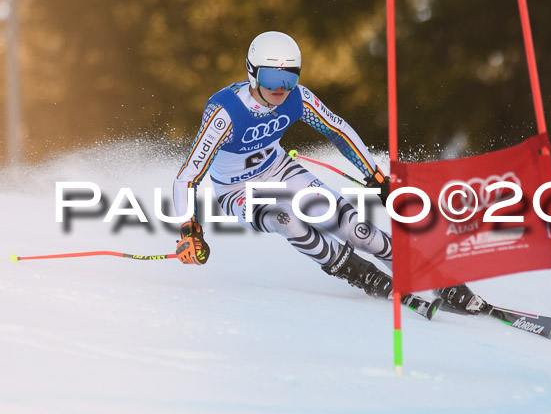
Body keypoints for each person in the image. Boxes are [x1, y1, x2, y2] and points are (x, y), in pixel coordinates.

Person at [172, 31, 489, 314]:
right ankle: (355, 271)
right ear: (252, 73)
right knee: (286, 220)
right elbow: (188, 176)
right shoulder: (225, 113)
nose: (280, 89)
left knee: (355, 229)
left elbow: (338, 130)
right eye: (271, 78)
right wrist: (189, 230)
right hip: (237, 191)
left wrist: (375, 177)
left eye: (289, 78)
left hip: (280, 169)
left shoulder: (298, 98)